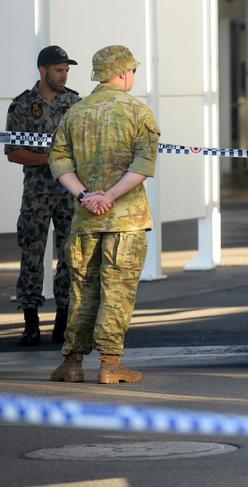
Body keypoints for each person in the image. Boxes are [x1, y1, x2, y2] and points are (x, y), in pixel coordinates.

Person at [48, 45, 161, 384]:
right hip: (125, 219)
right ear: (125, 72)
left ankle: (71, 362)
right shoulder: (138, 112)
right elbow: (143, 165)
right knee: (117, 289)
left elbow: (59, 162)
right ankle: (111, 364)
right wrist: (109, 196)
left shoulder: (75, 112)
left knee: (82, 289)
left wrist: (86, 196)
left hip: (86, 218)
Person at [5, 46, 81, 346]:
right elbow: (13, 152)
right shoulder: (22, 106)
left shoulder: (74, 103)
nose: (63, 76)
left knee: (68, 255)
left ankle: (63, 320)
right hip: (37, 194)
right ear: (43, 71)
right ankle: (30, 321)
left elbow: (81, 147)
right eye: (58, 70)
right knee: (32, 254)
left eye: (66, 70)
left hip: (67, 193)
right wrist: (54, 160)